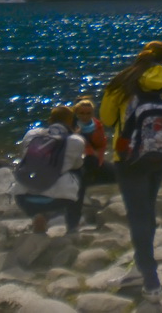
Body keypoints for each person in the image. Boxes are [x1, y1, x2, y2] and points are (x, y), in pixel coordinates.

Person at [100, 41, 162, 301]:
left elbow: (107, 120)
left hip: (128, 157)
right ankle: (141, 267)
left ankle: (150, 279)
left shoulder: (120, 84)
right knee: (147, 210)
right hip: (160, 158)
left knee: (138, 215)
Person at [13, 105, 85, 233]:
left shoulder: (32, 135)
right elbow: (77, 165)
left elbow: (24, 156)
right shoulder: (75, 141)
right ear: (70, 121)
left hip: (23, 198)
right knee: (78, 173)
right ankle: (72, 226)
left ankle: (37, 215)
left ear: (50, 120)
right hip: (56, 201)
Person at [71, 97, 115, 228]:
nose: (85, 116)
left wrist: (98, 156)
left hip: (94, 160)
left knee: (120, 174)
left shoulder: (97, 125)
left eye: (88, 113)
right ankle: (73, 221)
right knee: (80, 182)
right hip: (77, 163)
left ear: (92, 113)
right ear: (76, 113)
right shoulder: (71, 127)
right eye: (81, 113)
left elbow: (102, 145)